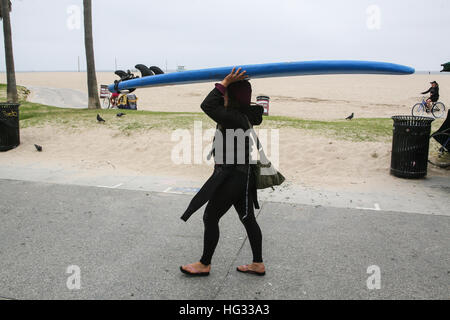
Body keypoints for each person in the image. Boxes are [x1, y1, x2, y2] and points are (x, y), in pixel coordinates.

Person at [180, 68, 266, 276]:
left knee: (210, 217)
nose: (222, 95)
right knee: (248, 218)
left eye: (225, 93)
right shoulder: (242, 115)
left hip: (232, 176)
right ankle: (258, 263)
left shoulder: (233, 117)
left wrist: (225, 81)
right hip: (243, 176)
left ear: (232, 97)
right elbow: (215, 105)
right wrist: (227, 86)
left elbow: (207, 105)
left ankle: (204, 264)